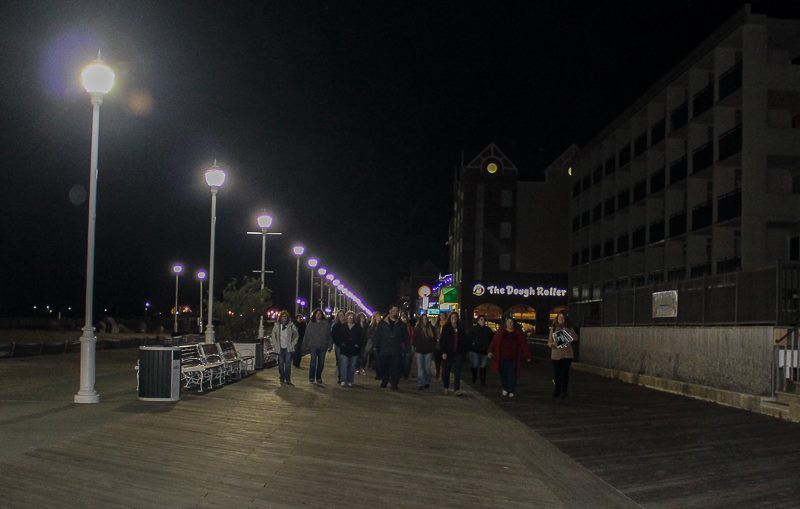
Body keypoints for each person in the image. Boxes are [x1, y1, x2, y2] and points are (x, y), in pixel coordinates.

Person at [488, 316, 531, 398]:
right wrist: (490, 351)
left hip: (513, 358)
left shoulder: (517, 333)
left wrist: (527, 355)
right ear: (505, 323)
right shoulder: (501, 332)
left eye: (511, 322)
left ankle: (511, 390)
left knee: (512, 375)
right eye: (508, 322)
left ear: (514, 323)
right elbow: (494, 342)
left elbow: (523, 345)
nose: (510, 324)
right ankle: (505, 388)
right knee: (503, 374)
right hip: (502, 357)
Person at [373, 305, 408, 390]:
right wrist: (376, 345)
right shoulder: (382, 323)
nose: (394, 312)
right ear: (390, 311)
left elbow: (405, 336)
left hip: (396, 349)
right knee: (384, 366)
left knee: (395, 367)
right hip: (384, 348)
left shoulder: (401, 324)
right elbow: (377, 335)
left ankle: (394, 383)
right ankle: (385, 380)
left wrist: (405, 347)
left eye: (396, 310)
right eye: (393, 310)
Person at [548, 311, 578, 399]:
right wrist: (552, 344)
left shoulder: (569, 327)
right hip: (556, 355)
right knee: (557, 374)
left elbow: (576, 338)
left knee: (564, 373)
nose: (561, 319)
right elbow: (549, 342)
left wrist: (567, 331)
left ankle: (564, 391)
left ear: (565, 319)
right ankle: (557, 390)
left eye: (562, 317)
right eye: (559, 317)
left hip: (567, 355)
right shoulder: (553, 328)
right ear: (557, 318)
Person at [440, 311, 468, 395]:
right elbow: (442, 341)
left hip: (458, 353)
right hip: (448, 353)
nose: (454, 319)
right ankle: (446, 387)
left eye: (455, 317)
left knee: (457, 372)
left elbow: (464, 340)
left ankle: (457, 389)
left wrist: (463, 351)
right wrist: (443, 352)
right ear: (450, 318)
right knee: (446, 371)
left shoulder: (461, 327)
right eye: (452, 317)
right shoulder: (446, 327)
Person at [302, 308, 332, 384]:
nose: (318, 315)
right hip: (313, 346)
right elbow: (307, 335)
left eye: (320, 314)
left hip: (323, 346)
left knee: (321, 363)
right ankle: (311, 377)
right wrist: (304, 345)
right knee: (313, 362)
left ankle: (318, 377)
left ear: (322, 315)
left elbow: (329, 335)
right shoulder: (311, 323)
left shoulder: (326, 324)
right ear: (314, 315)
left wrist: (330, 345)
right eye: (317, 313)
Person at [271, 310, 299, 386]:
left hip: (288, 348)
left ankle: (288, 379)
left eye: (285, 317)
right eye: (283, 317)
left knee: (288, 364)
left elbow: (296, 335)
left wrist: (292, 344)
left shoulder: (291, 325)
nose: (284, 318)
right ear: (280, 318)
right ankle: (282, 377)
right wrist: (275, 344)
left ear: (287, 318)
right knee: (280, 364)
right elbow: (273, 336)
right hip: (280, 348)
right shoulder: (277, 326)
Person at [338, 311, 365, 386]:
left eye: (352, 317)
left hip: (354, 349)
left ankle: (350, 380)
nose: (350, 318)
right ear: (346, 317)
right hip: (345, 349)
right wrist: (341, 343)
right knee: (344, 364)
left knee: (352, 366)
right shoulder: (343, 326)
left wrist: (358, 344)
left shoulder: (357, 327)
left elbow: (361, 337)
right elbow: (339, 336)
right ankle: (343, 380)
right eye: (349, 317)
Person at [412, 313, 436, 390]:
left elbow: (434, 339)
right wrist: (416, 346)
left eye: (425, 319)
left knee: (427, 369)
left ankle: (426, 381)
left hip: (428, 351)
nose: (424, 320)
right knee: (420, 369)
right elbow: (414, 339)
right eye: (423, 319)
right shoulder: (417, 328)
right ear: (421, 320)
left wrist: (431, 346)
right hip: (419, 351)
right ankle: (420, 383)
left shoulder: (431, 328)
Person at [469, 315, 493, 386]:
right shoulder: (474, 329)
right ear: (478, 320)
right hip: (475, 350)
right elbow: (469, 338)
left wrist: (490, 348)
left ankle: (482, 381)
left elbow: (492, 339)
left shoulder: (488, 329)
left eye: (484, 319)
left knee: (483, 366)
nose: (483, 321)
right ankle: (474, 377)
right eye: (481, 319)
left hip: (485, 350)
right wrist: (472, 344)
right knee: (475, 365)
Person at [331, 310, 348, 383]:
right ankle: (341, 377)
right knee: (340, 362)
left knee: (346, 361)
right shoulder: (336, 325)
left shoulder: (347, 325)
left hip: (347, 346)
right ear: (337, 316)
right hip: (338, 346)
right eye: (339, 315)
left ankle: (345, 376)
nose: (341, 316)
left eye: (342, 315)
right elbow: (333, 335)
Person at [366, 313, 382, 379]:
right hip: (375, 345)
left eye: (379, 316)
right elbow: (368, 334)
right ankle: (378, 374)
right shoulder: (372, 325)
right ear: (374, 318)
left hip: (382, 345)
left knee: (381, 360)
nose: (378, 318)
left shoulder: (383, 325)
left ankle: (381, 373)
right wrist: (374, 337)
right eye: (376, 317)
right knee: (377, 360)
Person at [433, 312, 448, 379]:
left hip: (444, 346)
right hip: (437, 345)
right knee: (437, 361)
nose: (441, 316)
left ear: (445, 316)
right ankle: (438, 371)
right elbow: (433, 334)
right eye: (440, 315)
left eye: (443, 315)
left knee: (444, 362)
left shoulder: (447, 325)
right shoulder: (436, 325)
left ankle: (443, 374)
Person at [399, 310, 414, 379]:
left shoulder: (409, 327)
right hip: (400, 346)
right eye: (402, 317)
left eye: (405, 317)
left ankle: (405, 373)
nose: (404, 319)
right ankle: (402, 373)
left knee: (407, 361)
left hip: (408, 346)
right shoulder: (398, 326)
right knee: (401, 360)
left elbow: (412, 336)